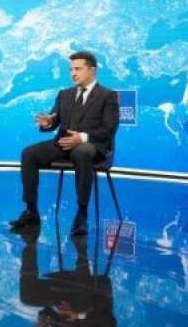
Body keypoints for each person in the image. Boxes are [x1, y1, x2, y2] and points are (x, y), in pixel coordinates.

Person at [10, 51, 119, 236]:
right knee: (29, 154)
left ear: (92, 70)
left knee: (82, 152)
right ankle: (31, 211)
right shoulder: (65, 94)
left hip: (91, 146)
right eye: (71, 69)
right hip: (63, 144)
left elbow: (109, 130)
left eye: (78, 69)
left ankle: (81, 214)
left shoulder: (108, 95)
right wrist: (48, 123)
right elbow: (54, 119)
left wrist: (82, 137)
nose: (73, 73)